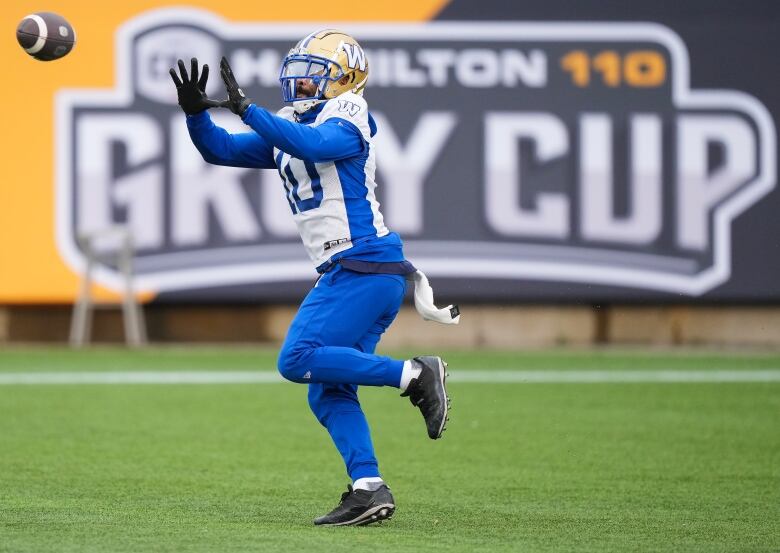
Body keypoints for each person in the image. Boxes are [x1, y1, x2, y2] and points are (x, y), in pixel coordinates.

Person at [169, 29, 459, 527]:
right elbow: (219, 150)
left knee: (297, 358)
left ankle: (415, 374)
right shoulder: (288, 124)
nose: (301, 85)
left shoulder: (349, 114)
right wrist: (196, 113)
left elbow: (314, 143)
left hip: (364, 264)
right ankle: (369, 489)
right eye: (299, 75)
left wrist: (248, 110)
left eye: (314, 76)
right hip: (358, 272)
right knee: (326, 388)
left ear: (346, 79)